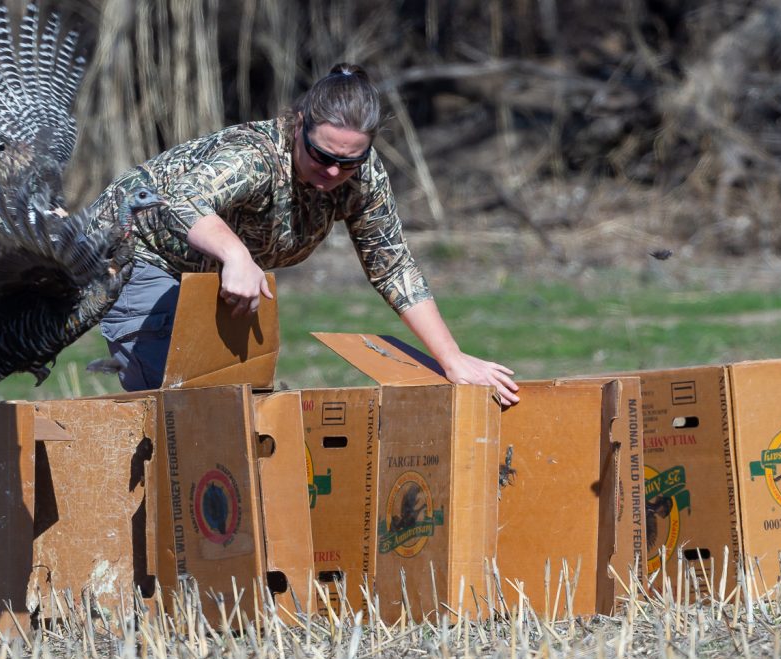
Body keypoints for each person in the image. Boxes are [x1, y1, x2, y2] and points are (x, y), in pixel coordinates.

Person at [92, 63, 520, 405]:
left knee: (237, 404)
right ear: (299, 125)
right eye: (322, 155)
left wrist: (452, 359)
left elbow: (392, 266)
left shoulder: (361, 178)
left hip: (212, 275)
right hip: (134, 249)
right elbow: (178, 201)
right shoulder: (254, 157)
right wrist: (237, 256)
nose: (333, 172)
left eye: (349, 161)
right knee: (182, 407)